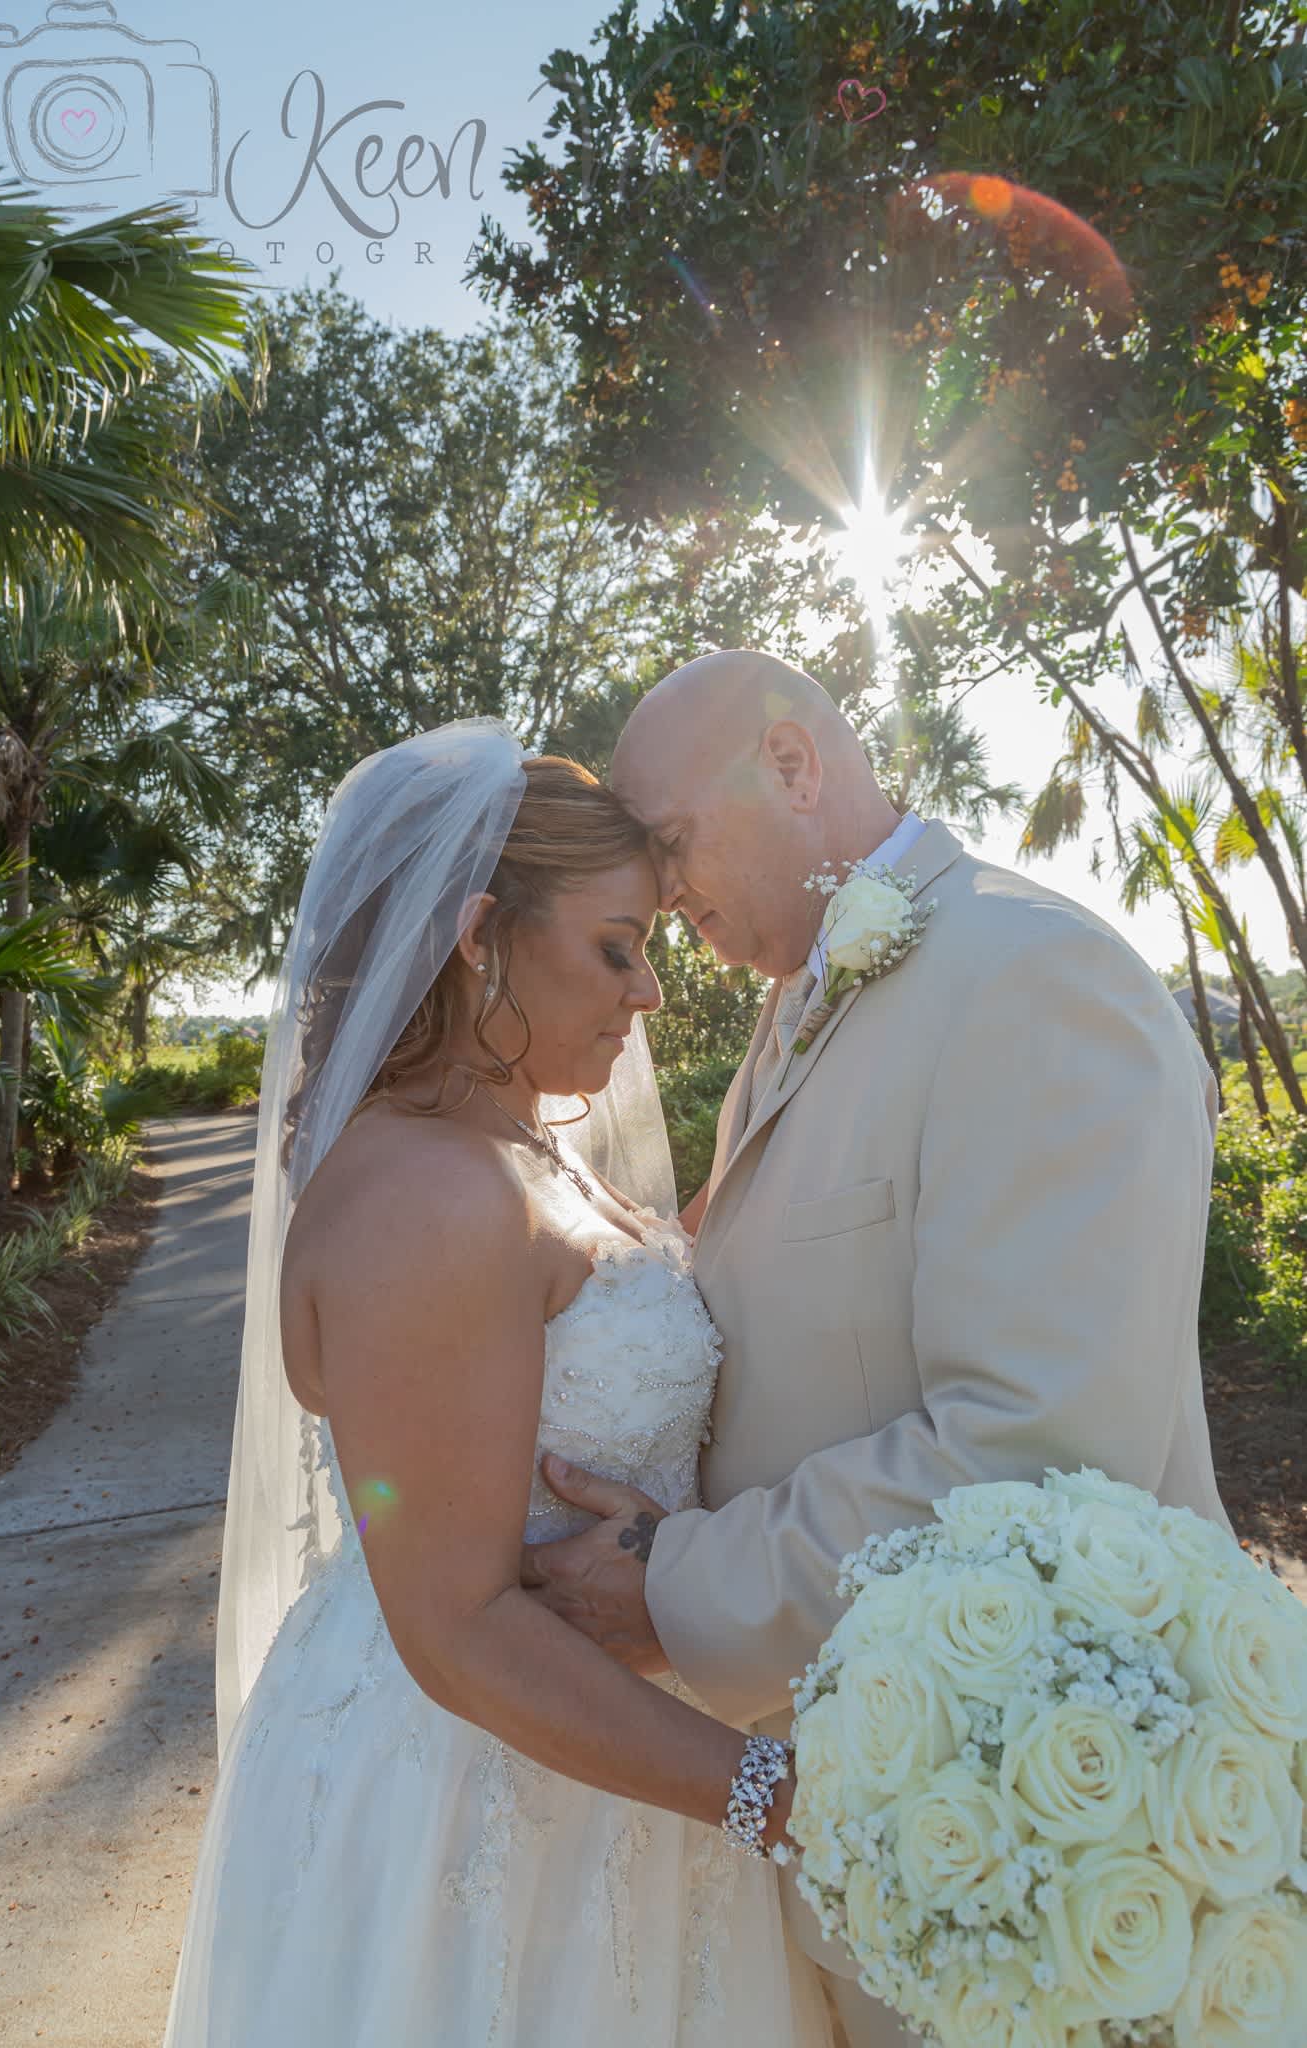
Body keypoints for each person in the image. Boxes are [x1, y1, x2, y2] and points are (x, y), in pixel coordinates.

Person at [521, 648, 1231, 2048]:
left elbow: (1034, 1448)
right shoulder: (798, 1006)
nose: (661, 892)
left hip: (1037, 1829)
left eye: (671, 842)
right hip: (869, 1800)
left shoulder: (1034, 979)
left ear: (792, 766)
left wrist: (677, 1585)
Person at [161, 722, 833, 2048]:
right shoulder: (426, 1195)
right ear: (479, 937)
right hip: (478, 1804)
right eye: (616, 946)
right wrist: (783, 1799)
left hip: (615, 1756)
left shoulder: (523, 1148)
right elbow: (459, 1625)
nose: (650, 994)